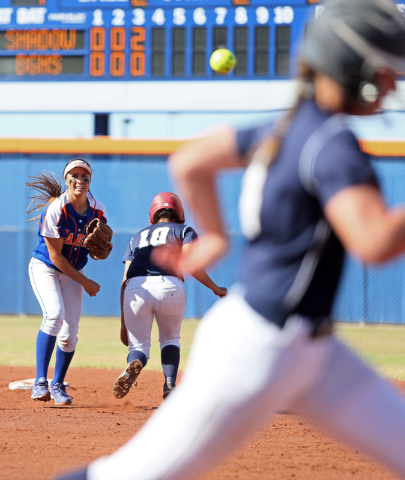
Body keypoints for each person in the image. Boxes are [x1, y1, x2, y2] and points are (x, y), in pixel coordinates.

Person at [53, 0, 405, 478]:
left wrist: (215, 236)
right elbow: (375, 242)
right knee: (130, 475)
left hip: (316, 352)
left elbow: (191, 161)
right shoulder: (333, 145)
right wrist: (212, 237)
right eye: (384, 68)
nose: (392, 81)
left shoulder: (286, 126)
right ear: (351, 66)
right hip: (261, 347)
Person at [113, 192, 227, 401]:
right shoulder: (184, 230)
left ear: (153, 216)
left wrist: (123, 325)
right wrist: (214, 288)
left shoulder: (138, 237)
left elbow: (124, 280)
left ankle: (136, 361)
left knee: (138, 347)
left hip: (136, 288)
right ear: (180, 214)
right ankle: (169, 383)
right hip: (170, 286)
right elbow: (189, 263)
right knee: (170, 339)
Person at [26, 158, 110, 406]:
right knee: (54, 315)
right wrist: (85, 281)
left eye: (84, 176)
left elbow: (97, 245)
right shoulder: (56, 209)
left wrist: (103, 249)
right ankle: (40, 381)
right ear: (66, 180)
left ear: (90, 181)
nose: (79, 180)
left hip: (74, 271)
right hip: (47, 268)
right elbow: (56, 257)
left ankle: (58, 385)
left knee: (70, 334)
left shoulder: (98, 210)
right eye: (74, 176)